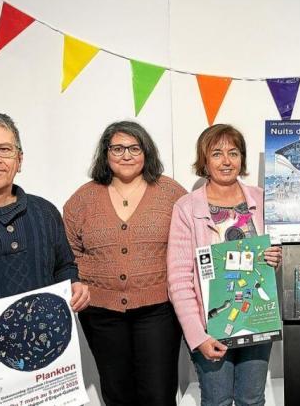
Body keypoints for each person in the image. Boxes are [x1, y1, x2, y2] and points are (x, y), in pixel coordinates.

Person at [63, 121, 186, 406]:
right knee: (117, 394)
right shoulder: (83, 198)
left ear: (147, 152)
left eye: (134, 148)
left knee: (158, 394)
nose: (126, 155)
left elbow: (193, 240)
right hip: (100, 312)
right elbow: (67, 252)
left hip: (159, 309)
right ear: (105, 154)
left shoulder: (171, 193)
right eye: (117, 148)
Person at [167, 124, 282, 406]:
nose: (226, 161)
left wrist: (275, 257)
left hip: (256, 320)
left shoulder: (262, 198)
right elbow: (179, 280)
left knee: (252, 400)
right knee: (217, 401)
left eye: (233, 153)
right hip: (210, 326)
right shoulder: (186, 207)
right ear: (204, 160)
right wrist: (197, 336)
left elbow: (273, 255)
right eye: (216, 154)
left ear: (242, 158)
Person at [0, 112, 89, 400]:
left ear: (19, 159)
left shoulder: (45, 212)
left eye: (4, 149)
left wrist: (74, 285)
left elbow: (65, 266)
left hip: (48, 375)